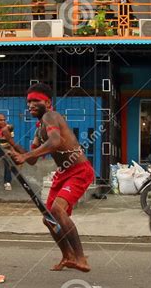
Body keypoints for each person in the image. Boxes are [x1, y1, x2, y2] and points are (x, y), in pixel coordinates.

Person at [6, 83, 95, 272]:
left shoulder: (51, 116)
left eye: (35, 100)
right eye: (28, 101)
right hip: (63, 173)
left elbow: (56, 141)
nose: (30, 104)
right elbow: (32, 160)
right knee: (49, 218)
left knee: (57, 210)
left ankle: (81, 258)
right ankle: (68, 256)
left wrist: (25, 156)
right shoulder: (40, 129)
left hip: (79, 170)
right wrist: (11, 142)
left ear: (47, 102)